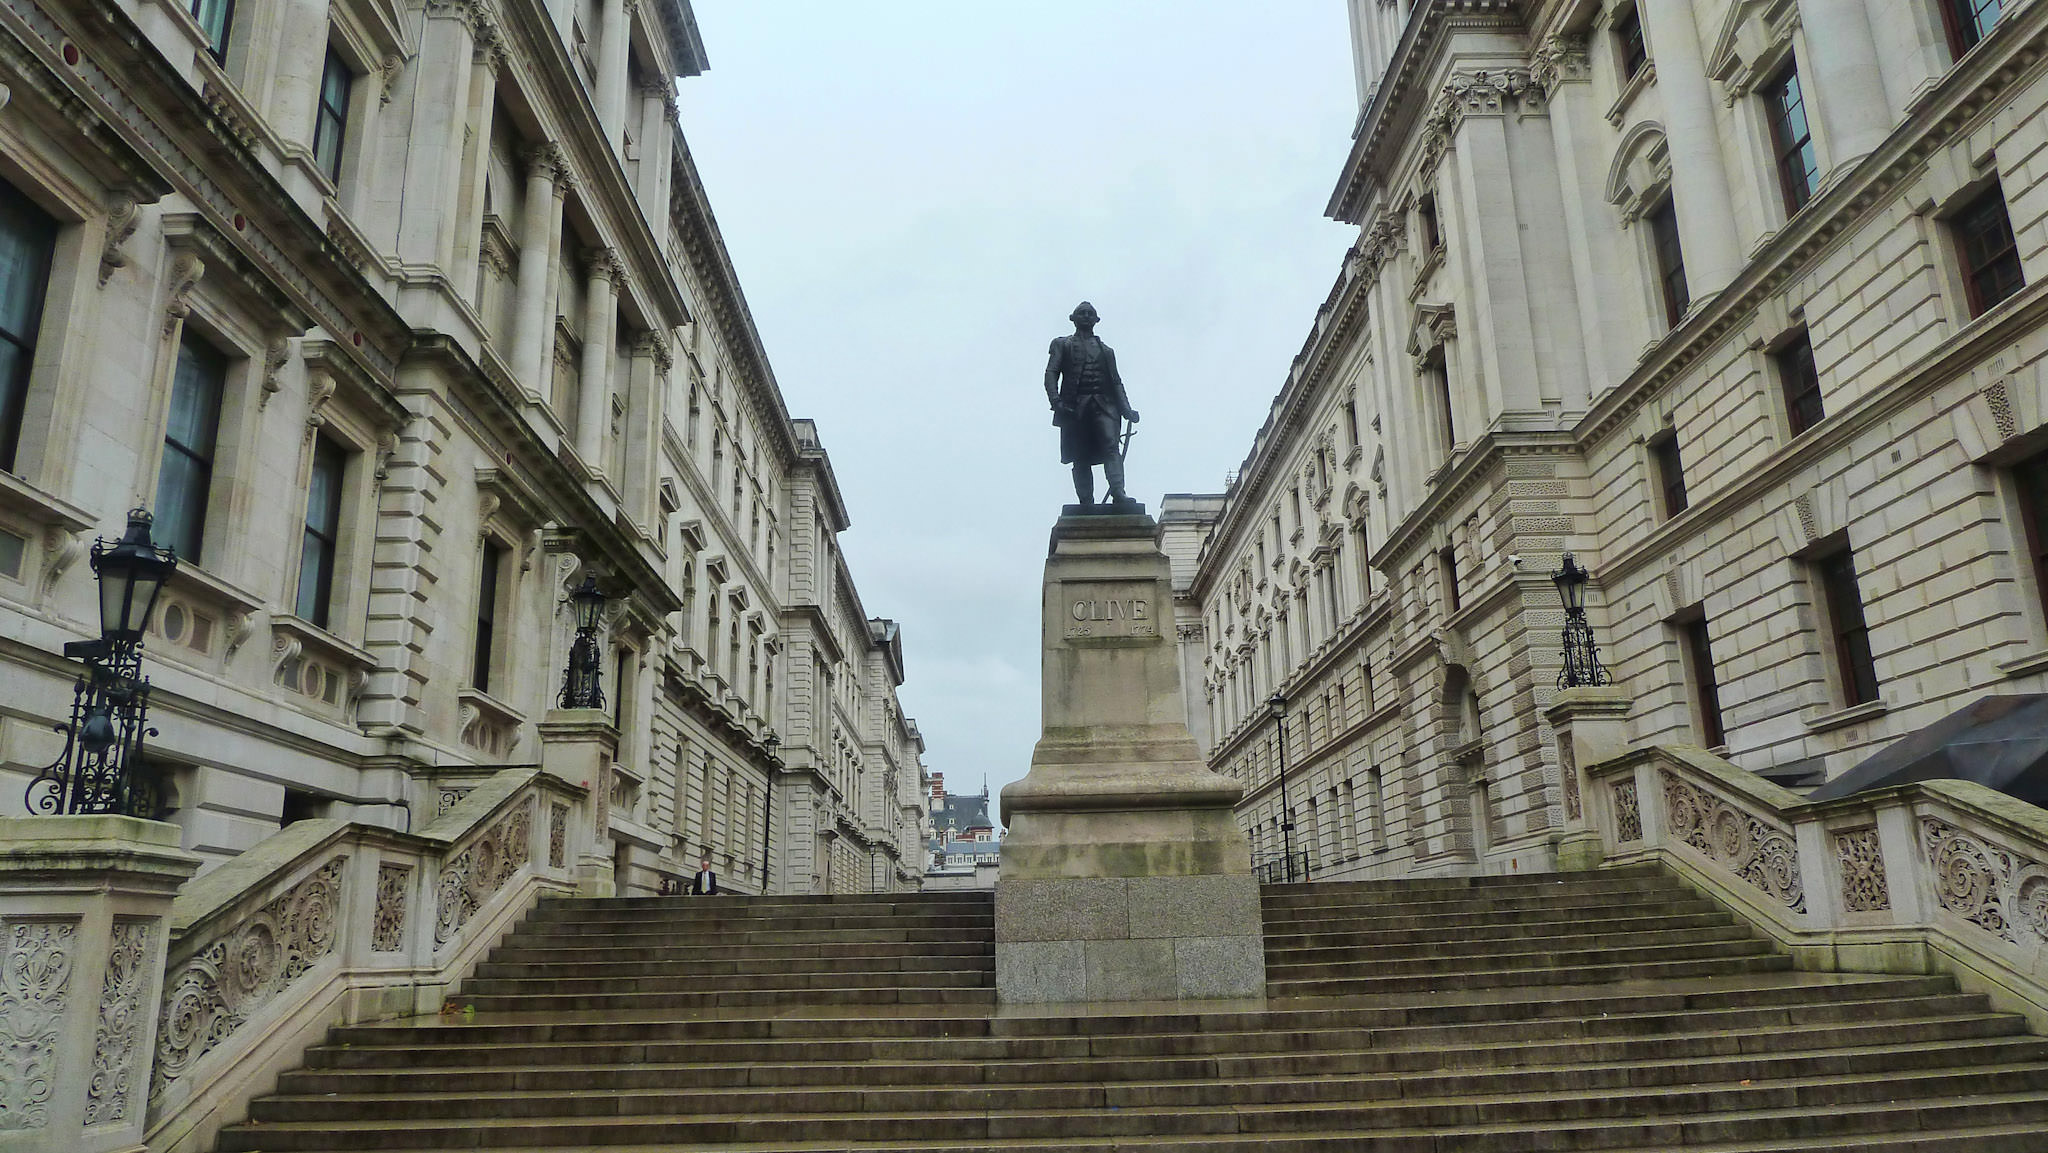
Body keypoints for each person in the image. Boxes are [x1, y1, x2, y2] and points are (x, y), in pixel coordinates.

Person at [1044, 301, 1140, 506]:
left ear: (1096, 320)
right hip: (1075, 408)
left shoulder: (1107, 351)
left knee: (1111, 447)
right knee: (1080, 456)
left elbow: (1116, 381)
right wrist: (1056, 401)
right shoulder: (1062, 344)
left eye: (1090, 313)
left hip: (1105, 406)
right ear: (1074, 318)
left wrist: (1126, 409)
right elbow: (1051, 373)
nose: (1086, 316)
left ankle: (1118, 492)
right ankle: (1086, 501)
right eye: (1082, 313)